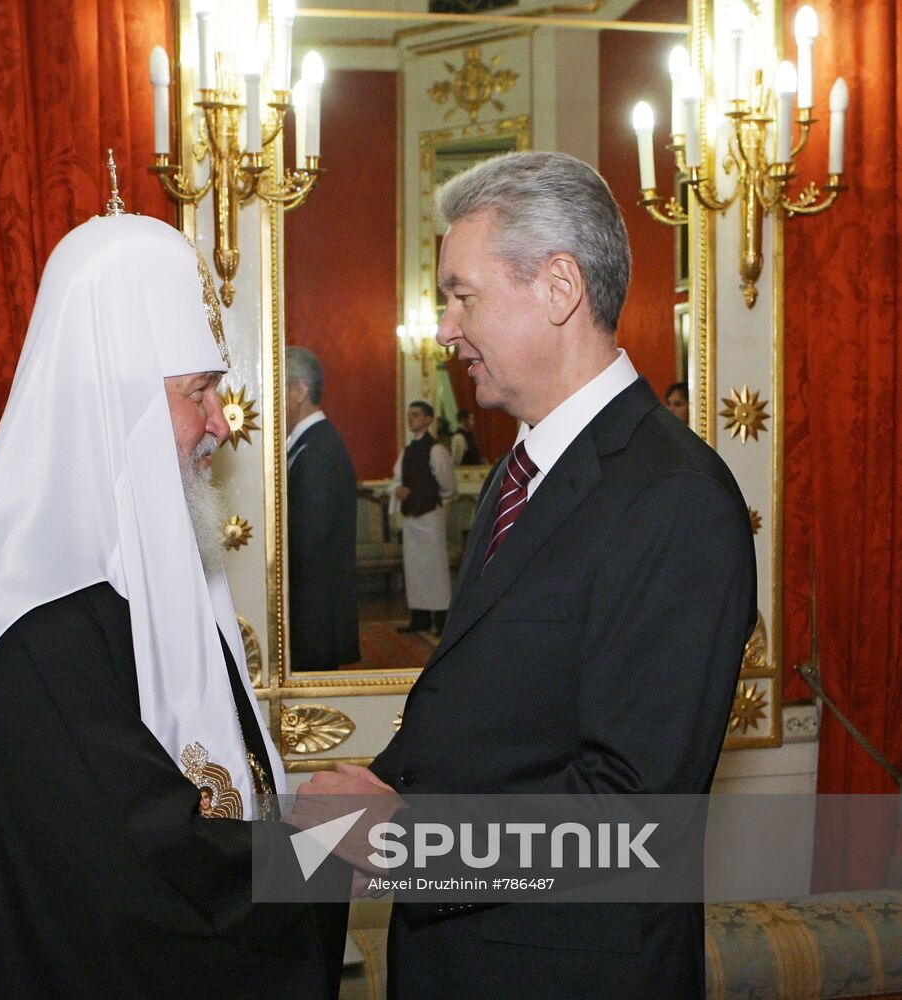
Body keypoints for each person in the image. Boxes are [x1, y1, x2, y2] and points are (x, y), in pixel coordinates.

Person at [298, 151, 756, 998]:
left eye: (462, 294)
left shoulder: (675, 496)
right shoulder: (526, 473)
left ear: (557, 287)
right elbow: (488, 722)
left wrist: (406, 841)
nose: (442, 327)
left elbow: (632, 814)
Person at [0, 214, 346, 998]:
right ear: (117, 403)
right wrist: (340, 846)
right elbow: (153, 884)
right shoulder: (27, 629)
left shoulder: (137, 588)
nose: (222, 424)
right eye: (200, 393)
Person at [285, 345, 361, 670]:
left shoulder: (319, 449)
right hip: (310, 613)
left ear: (299, 389)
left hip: (314, 616)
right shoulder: (309, 443)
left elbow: (308, 541)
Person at [392, 400, 457, 637]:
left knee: (435, 570)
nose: (411, 419)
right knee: (415, 570)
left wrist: (421, 495)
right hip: (412, 519)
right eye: (409, 415)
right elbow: (398, 478)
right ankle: (419, 618)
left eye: (416, 415)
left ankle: (441, 620)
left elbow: (449, 487)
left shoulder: (437, 450)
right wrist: (398, 490)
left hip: (430, 518)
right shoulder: (408, 450)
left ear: (428, 419)